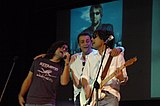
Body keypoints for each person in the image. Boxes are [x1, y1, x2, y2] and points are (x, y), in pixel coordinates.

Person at [70, 32, 123, 106]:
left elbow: (124, 79)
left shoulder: (117, 55)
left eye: (94, 37)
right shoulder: (91, 56)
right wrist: (87, 92)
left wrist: (120, 76)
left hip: (110, 95)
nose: (92, 39)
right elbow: (84, 77)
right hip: (94, 97)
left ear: (103, 39)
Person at [18, 41, 71, 106]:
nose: (64, 50)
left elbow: (64, 82)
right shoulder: (39, 60)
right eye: (62, 47)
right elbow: (28, 79)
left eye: (66, 49)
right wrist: (21, 95)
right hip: (31, 100)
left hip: (47, 102)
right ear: (56, 48)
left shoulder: (62, 67)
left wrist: (67, 63)